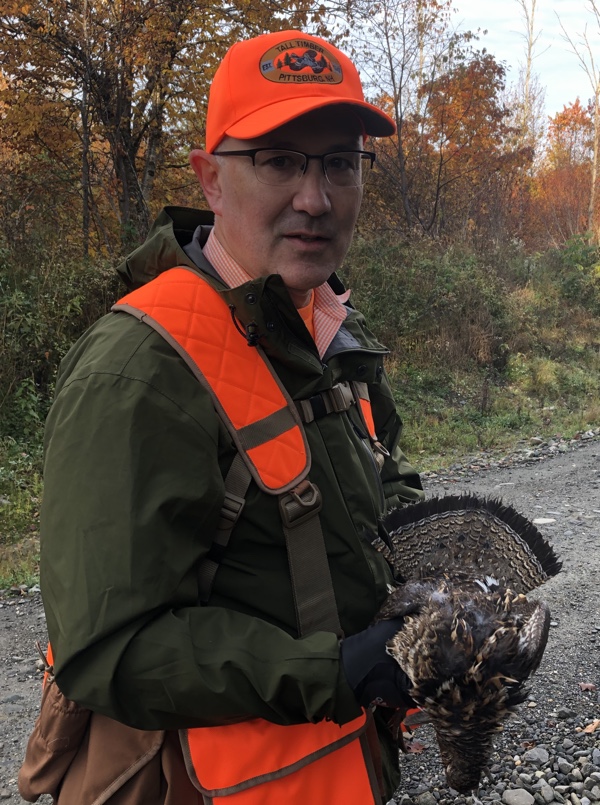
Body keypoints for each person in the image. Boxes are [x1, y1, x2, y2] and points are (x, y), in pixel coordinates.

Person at [20, 29, 424, 805]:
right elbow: (110, 648)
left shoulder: (333, 328)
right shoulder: (137, 370)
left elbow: (376, 487)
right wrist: (336, 671)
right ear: (210, 178)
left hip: (331, 771)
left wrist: (433, 583)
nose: (316, 197)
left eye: (340, 162)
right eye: (279, 160)